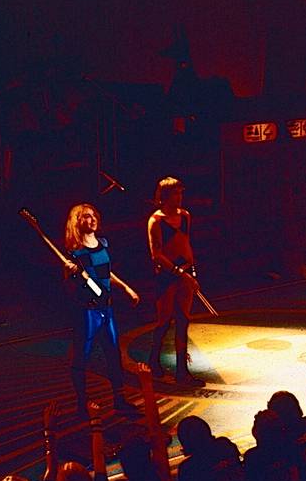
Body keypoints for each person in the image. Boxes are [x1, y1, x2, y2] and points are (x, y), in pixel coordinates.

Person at [63, 203, 140, 418]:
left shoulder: (102, 243)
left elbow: (107, 273)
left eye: (94, 215)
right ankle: (81, 405)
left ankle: (119, 400)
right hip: (87, 312)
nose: (92, 219)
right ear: (78, 222)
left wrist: (126, 287)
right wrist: (71, 274)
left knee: (113, 355)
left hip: (107, 308)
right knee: (81, 358)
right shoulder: (73, 253)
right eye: (86, 217)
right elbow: (69, 286)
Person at [147, 176, 205, 387]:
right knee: (164, 320)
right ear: (164, 196)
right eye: (175, 193)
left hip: (186, 272)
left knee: (183, 320)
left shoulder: (186, 216)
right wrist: (180, 272)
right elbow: (156, 254)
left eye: (181, 193)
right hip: (168, 274)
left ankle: (182, 370)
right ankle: (154, 360)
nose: (179, 197)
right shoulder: (156, 221)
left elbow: (186, 244)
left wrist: (191, 271)